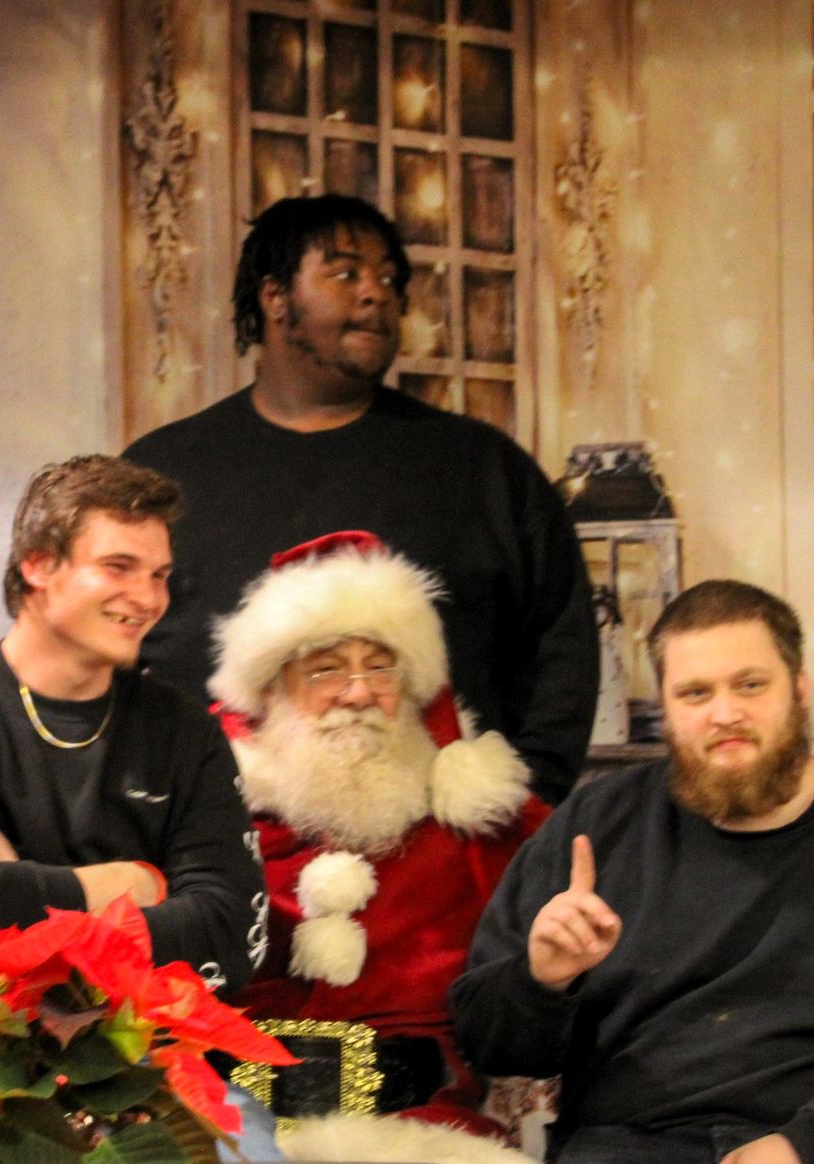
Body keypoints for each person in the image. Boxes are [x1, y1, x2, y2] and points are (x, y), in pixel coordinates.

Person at [449, 580, 814, 1164]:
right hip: (623, 1147)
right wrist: (541, 979)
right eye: (695, 694)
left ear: (800, 690)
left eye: (750, 685)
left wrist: (810, 1144)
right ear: (667, 711)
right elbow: (485, 1042)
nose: (725, 714)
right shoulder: (594, 826)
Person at [122, 194, 596, 805]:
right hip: (213, 860)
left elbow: (561, 653)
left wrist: (525, 810)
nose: (376, 293)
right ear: (274, 298)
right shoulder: (163, 474)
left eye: (388, 279)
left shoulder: (483, 468)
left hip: (449, 863)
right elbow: (106, 652)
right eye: (345, 273)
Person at [0, 455, 265, 993]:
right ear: (39, 565)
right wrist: (129, 882)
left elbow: (230, 932)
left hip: (150, 1056)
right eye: (118, 567)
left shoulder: (184, 730)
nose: (148, 599)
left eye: (159, 575)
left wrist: (19, 906)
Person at [209, 530, 544, 1164]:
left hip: (426, 1130)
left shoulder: (480, 826)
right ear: (273, 688)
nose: (358, 692)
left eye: (380, 665)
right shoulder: (208, 812)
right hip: (234, 1126)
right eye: (327, 668)